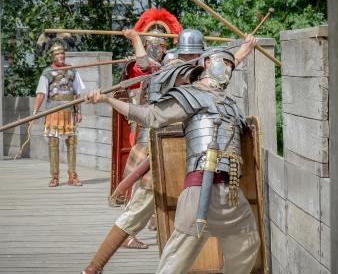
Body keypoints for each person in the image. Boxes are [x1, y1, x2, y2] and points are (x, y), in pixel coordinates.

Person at [85, 35, 259, 274]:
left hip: (229, 188)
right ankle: (94, 266)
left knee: (247, 239)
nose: (228, 67)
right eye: (223, 62)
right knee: (175, 245)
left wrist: (243, 51)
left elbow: (223, 68)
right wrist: (107, 99)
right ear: (206, 62)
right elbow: (151, 115)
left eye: (231, 64)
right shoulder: (185, 83)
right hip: (198, 179)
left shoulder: (227, 101)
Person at [81, 28, 206, 274]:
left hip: (185, 152)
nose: (187, 66)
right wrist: (137, 40)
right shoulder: (163, 72)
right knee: (137, 210)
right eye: (186, 57)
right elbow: (144, 67)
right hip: (158, 149)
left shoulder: (193, 76)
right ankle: (94, 268)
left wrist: (243, 49)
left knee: (184, 215)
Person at [32, 44, 85, 187]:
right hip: (53, 112)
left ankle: (72, 176)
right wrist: (35, 112)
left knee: (72, 143)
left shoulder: (72, 71)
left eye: (62, 53)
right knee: (53, 144)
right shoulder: (47, 73)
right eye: (57, 54)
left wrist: (78, 111)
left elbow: (77, 93)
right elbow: (41, 93)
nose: (61, 56)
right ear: (52, 57)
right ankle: (55, 177)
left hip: (69, 112)